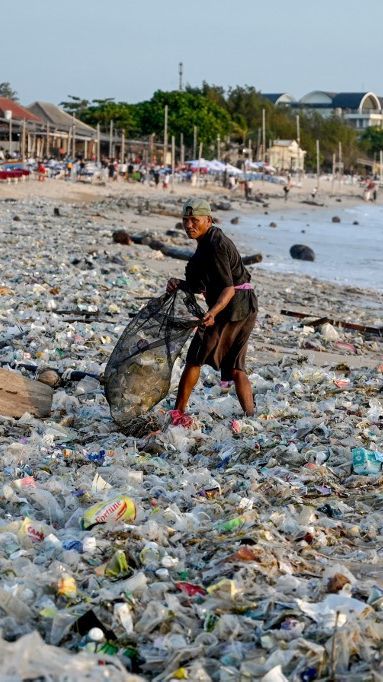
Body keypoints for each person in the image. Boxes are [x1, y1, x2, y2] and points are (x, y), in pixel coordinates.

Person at [167, 198, 257, 421]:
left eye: (194, 220)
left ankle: (178, 412)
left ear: (208, 220)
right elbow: (198, 285)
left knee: (195, 357)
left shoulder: (216, 244)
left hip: (233, 307)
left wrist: (212, 313)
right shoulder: (203, 248)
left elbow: (228, 289)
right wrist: (179, 284)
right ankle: (251, 416)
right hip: (246, 305)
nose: (188, 225)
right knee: (236, 367)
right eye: (185, 220)